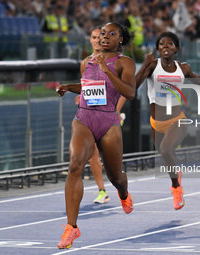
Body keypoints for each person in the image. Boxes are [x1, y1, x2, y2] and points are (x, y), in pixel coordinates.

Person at [135, 32, 200, 211]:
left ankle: (176, 189)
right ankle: (176, 180)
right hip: (155, 122)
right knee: (166, 158)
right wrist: (144, 64)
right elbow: (133, 86)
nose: (165, 46)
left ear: (176, 48)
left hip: (177, 119)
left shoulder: (182, 68)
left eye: (169, 44)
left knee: (166, 150)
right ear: (158, 49)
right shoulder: (152, 66)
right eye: (161, 44)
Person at [55, 23, 135, 249]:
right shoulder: (86, 62)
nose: (105, 37)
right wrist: (68, 87)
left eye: (111, 34)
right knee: (74, 165)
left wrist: (107, 69)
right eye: (102, 34)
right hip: (84, 118)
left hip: (108, 121)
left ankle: (123, 192)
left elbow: (129, 92)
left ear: (120, 39)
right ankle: (72, 227)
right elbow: (88, 87)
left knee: (115, 176)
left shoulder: (124, 62)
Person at [73, 27, 109, 204]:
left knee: (108, 155)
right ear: (90, 40)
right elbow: (85, 85)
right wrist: (81, 96)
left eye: (99, 37)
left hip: (106, 113)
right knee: (92, 153)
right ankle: (102, 191)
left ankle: (119, 186)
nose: (96, 41)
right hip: (89, 113)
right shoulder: (84, 63)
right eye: (93, 37)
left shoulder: (111, 61)